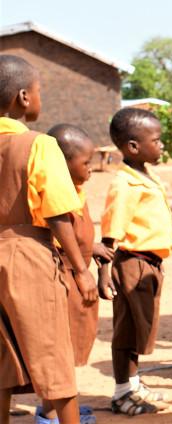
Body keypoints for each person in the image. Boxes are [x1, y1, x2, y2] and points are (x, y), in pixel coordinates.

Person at [0, 56, 97, 424]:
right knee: (52, 353)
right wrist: (81, 270)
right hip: (27, 255)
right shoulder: (39, 145)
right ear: (24, 97)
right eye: (40, 91)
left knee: (2, 360)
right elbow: (57, 212)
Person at [100, 107, 172, 416]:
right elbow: (110, 232)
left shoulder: (147, 175)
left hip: (149, 263)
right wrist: (104, 272)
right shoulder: (124, 184)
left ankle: (132, 385)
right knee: (127, 329)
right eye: (156, 141)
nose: (161, 146)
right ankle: (121, 393)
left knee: (138, 329)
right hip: (132, 263)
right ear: (133, 146)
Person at [34, 125, 110, 424]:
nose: (92, 169)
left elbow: (77, 234)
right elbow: (55, 235)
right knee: (57, 351)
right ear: (64, 164)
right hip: (62, 279)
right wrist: (81, 271)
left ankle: (62, 409)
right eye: (86, 162)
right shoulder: (55, 196)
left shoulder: (76, 192)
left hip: (76, 278)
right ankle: (52, 413)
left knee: (68, 348)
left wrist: (92, 246)